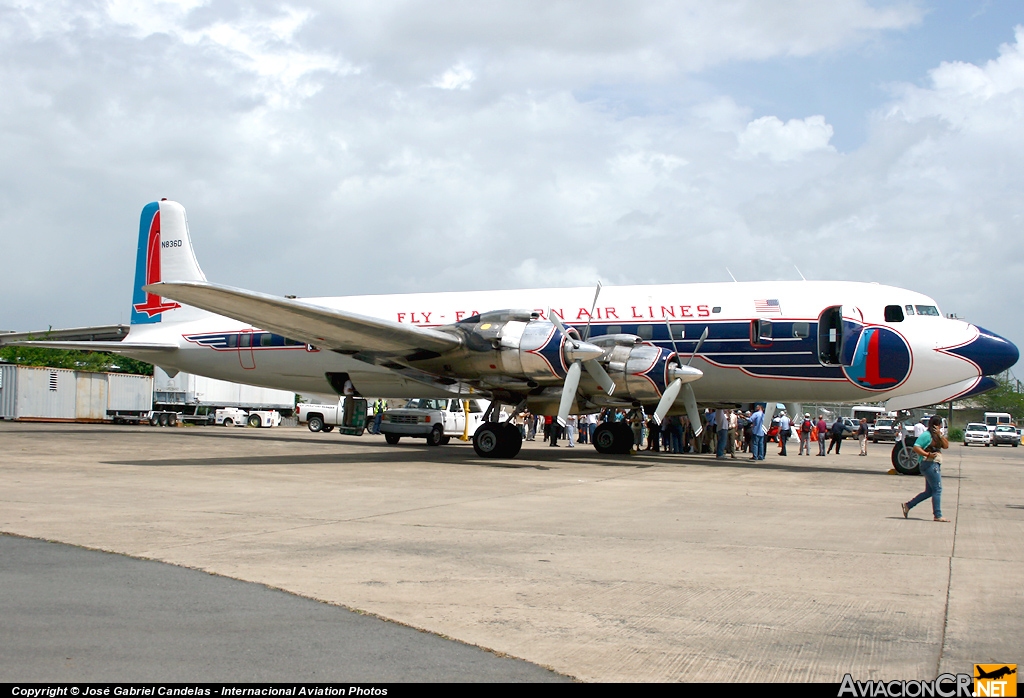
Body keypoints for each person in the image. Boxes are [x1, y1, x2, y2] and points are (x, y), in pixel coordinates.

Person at [902, 415, 950, 522]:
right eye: (939, 424)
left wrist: (940, 435)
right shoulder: (926, 435)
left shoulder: (938, 436)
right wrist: (927, 454)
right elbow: (916, 447)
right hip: (929, 464)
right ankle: (937, 515)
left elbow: (946, 446)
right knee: (937, 489)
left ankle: (908, 505)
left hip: (935, 464)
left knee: (929, 491)